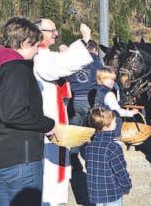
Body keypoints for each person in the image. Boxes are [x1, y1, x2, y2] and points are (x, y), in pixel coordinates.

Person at [0, 17, 56, 206]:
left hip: (0, 156)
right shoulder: (16, 69)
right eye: (36, 45)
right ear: (25, 42)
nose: (37, 50)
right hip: (21, 159)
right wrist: (48, 124)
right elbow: (14, 113)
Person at [33, 18, 93, 205]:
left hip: (55, 114)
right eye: (52, 31)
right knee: (50, 169)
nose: (56, 34)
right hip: (48, 119)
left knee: (56, 165)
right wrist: (84, 40)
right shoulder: (39, 57)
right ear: (39, 32)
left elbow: (60, 61)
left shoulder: (45, 55)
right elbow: (60, 66)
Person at [86, 107, 132, 206]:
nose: (116, 124)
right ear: (106, 126)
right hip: (112, 192)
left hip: (95, 191)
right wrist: (126, 186)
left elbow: (89, 167)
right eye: (114, 122)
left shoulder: (90, 146)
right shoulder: (113, 147)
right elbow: (121, 171)